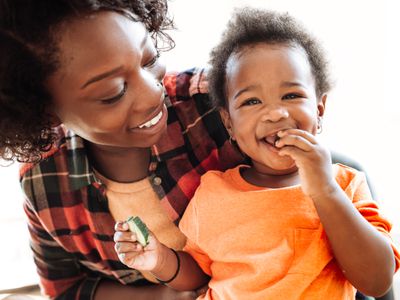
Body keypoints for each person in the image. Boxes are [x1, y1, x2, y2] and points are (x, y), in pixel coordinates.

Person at [114, 7, 400, 299]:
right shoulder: (213, 191)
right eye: (251, 101)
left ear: (319, 109)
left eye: (291, 95)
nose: (275, 113)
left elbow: (377, 282)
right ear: (229, 124)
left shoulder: (344, 185)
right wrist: (159, 259)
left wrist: (325, 190)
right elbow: (200, 272)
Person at [0, 0, 246, 299]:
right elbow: (65, 289)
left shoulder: (221, 104)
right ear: (44, 111)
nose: (152, 93)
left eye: (149, 59)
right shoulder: (44, 180)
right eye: (114, 92)